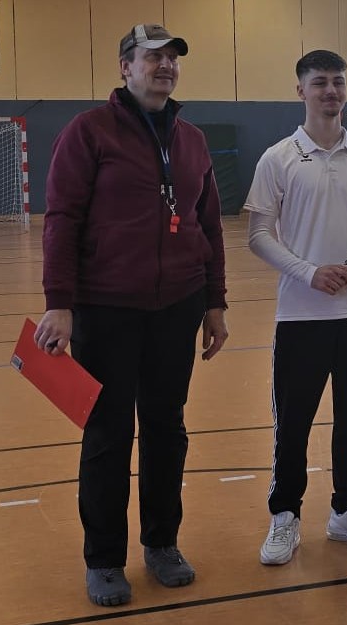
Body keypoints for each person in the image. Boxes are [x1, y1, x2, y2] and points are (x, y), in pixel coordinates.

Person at [34, 24, 228, 606]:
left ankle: (162, 543)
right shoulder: (88, 131)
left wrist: (214, 302)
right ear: (125, 66)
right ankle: (104, 559)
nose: (165, 66)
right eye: (152, 57)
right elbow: (62, 219)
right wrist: (59, 304)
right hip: (106, 309)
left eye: (172, 58)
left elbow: (209, 224)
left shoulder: (192, 140)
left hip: (177, 307)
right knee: (108, 433)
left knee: (167, 429)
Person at [244, 50, 347, 566]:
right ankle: (285, 515)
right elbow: (259, 235)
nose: (330, 91)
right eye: (319, 83)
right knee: (293, 423)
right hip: (301, 316)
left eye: (337, 82)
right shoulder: (278, 158)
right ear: (301, 90)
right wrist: (308, 272)